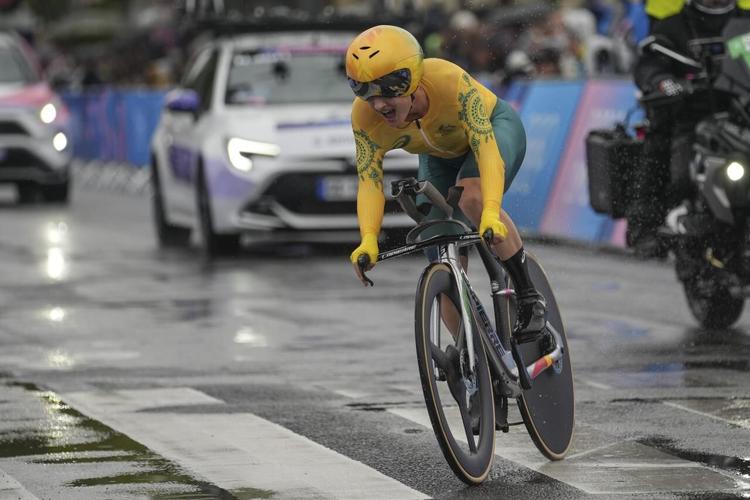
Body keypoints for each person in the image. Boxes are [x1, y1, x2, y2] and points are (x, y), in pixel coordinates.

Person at [345, 25, 545, 339]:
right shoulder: (364, 118)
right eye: (363, 90)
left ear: (409, 79)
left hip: (493, 132)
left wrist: (490, 211)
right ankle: (472, 358)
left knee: (471, 198)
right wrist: (368, 238)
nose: (377, 103)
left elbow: (485, 148)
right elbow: (369, 181)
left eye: (386, 89)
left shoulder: (449, 81)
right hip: (438, 158)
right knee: (438, 248)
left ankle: (530, 296)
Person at [627, 0, 738, 258]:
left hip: (741, 114)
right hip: (694, 116)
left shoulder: (744, 22)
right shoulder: (674, 26)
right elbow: (649, 63)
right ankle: (647, 223)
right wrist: (664, 83)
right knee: (662, 141)